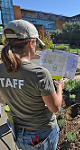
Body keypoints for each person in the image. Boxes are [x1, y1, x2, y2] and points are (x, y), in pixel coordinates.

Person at [0, 19, 64, 150]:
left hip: (19, 134)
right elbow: (55, 107)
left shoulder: (1, 69)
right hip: (41, 135)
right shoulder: (39, 73)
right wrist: (60, 88)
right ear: (30, 43)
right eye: (36, 44)